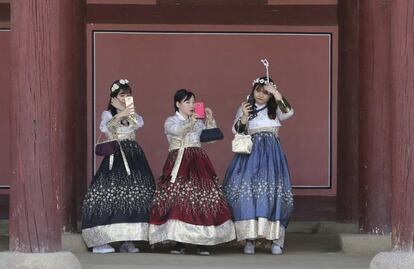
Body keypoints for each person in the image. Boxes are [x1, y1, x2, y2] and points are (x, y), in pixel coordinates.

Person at [149, 89, 236, 256]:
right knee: (177, 198)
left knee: (202, 199)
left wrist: (210, 120)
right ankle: (179, 241)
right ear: (177, 104)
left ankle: (203, 243)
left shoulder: (198, 122)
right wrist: (191, 122)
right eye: (187, 102)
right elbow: (177, 131)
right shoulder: (171, 121)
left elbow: (210, 139)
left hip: (199, 162)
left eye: (192, 102)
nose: (191, 105)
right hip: (178, 162)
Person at [82, 79, 155, 254]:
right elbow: (106, 128)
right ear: (114, 97)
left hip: (133, 155)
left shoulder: (133, 114)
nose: (125, 98)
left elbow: (138, 124)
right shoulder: (107, 114)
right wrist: (120, 113)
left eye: (128, 94)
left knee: (135, 194)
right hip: (116, 155)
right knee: (108, 194)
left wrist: (126, 111)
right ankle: (101, 240)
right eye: (122, 95)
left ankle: (127, 240)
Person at [223, 76, 294, 255]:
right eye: (258, 90)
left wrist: (277, 93)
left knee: (273, 193)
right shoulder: (245, 107)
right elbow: (237, 130)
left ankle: (276, 240)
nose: (261, 95)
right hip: (250, 155)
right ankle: (250, 239)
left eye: (265, 92)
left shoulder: (275, 109)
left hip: (272, 155)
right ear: (252, 90)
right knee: (247, 192)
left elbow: (289, 112)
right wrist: (245, 116)